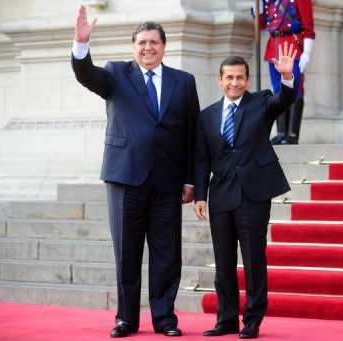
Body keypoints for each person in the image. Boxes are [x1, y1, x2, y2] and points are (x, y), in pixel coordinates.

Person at [71, 5, 199, 338]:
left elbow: (192, 135)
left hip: (168, 183)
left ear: (164, 46)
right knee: (126, 253)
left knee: (166, 255)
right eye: (141, 42)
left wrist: (191, 181)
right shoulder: (116, 74)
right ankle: (126, 319)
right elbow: (86, 75)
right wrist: (81, 46)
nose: (148, 48)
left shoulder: (184, 82)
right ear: (133, 47)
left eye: (154, 42)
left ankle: (165, 319)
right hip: (125, 178)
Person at [194, 43, 297, 339]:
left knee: (253, 258)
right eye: (229, 77)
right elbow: (201, 159)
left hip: (253, 193)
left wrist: (288, 78)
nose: (235, 82)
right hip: (220, 195)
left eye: (240, 77)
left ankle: (252, 319)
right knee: (223, 260)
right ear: (220, 80)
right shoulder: (207, 116)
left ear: (248, 80)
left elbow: (283, 100)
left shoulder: (261, 102)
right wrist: (200, 194)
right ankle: (225, 319)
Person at [257, 0, 315, 144]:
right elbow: (263, 24)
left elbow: (308, 25)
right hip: (273, 47)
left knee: (295, 89)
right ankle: (281, 133)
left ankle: (292, 134)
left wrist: (307, 52)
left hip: (292, 47)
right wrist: (256, 10)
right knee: (278, 90)